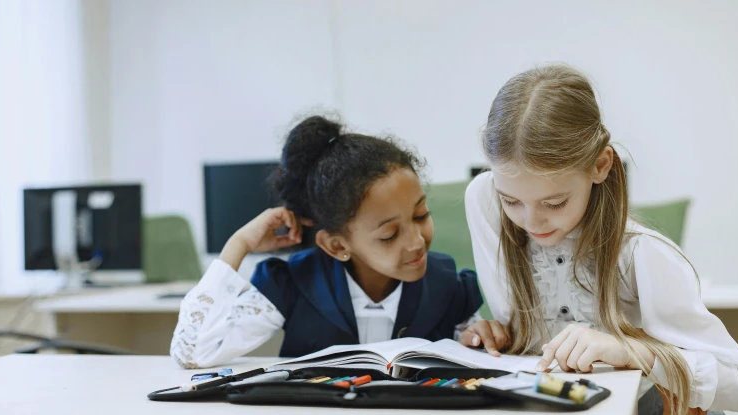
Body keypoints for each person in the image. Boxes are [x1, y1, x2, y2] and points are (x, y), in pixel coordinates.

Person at [464, 64, 738, 415]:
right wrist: (499, 330)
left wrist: (633, 351)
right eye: (512, 201)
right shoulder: (483, 199)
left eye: (555, 202)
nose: (531, 221)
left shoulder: (642, 253)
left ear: (600, 166)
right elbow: (521, 318)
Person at [171, 115, 506, 369]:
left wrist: (478, 338)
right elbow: (192, 352)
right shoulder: (293, 284)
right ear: (336, 245)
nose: (417, 241)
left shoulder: (447, 284)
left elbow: (475, 347)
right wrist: (240, 243)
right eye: (389, 234)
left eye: (420, 215)